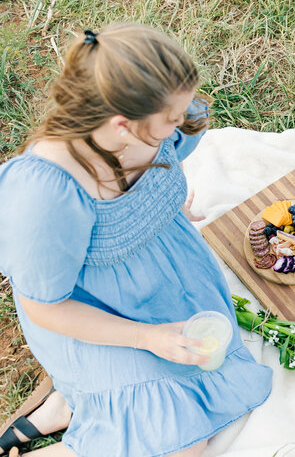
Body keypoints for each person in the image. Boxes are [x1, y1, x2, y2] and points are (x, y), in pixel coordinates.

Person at [0, 24, 273, 456]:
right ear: (123, 126)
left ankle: (66, 406)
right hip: (93, 314)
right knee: (183, 444)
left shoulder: (155, 119)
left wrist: (165, 208)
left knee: (194, 403)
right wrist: (149, 338)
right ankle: (75, 407)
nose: (184, 122)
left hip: (164, 278)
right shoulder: (48, 193)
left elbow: (168, 158)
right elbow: (44, 307)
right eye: (171, 121)